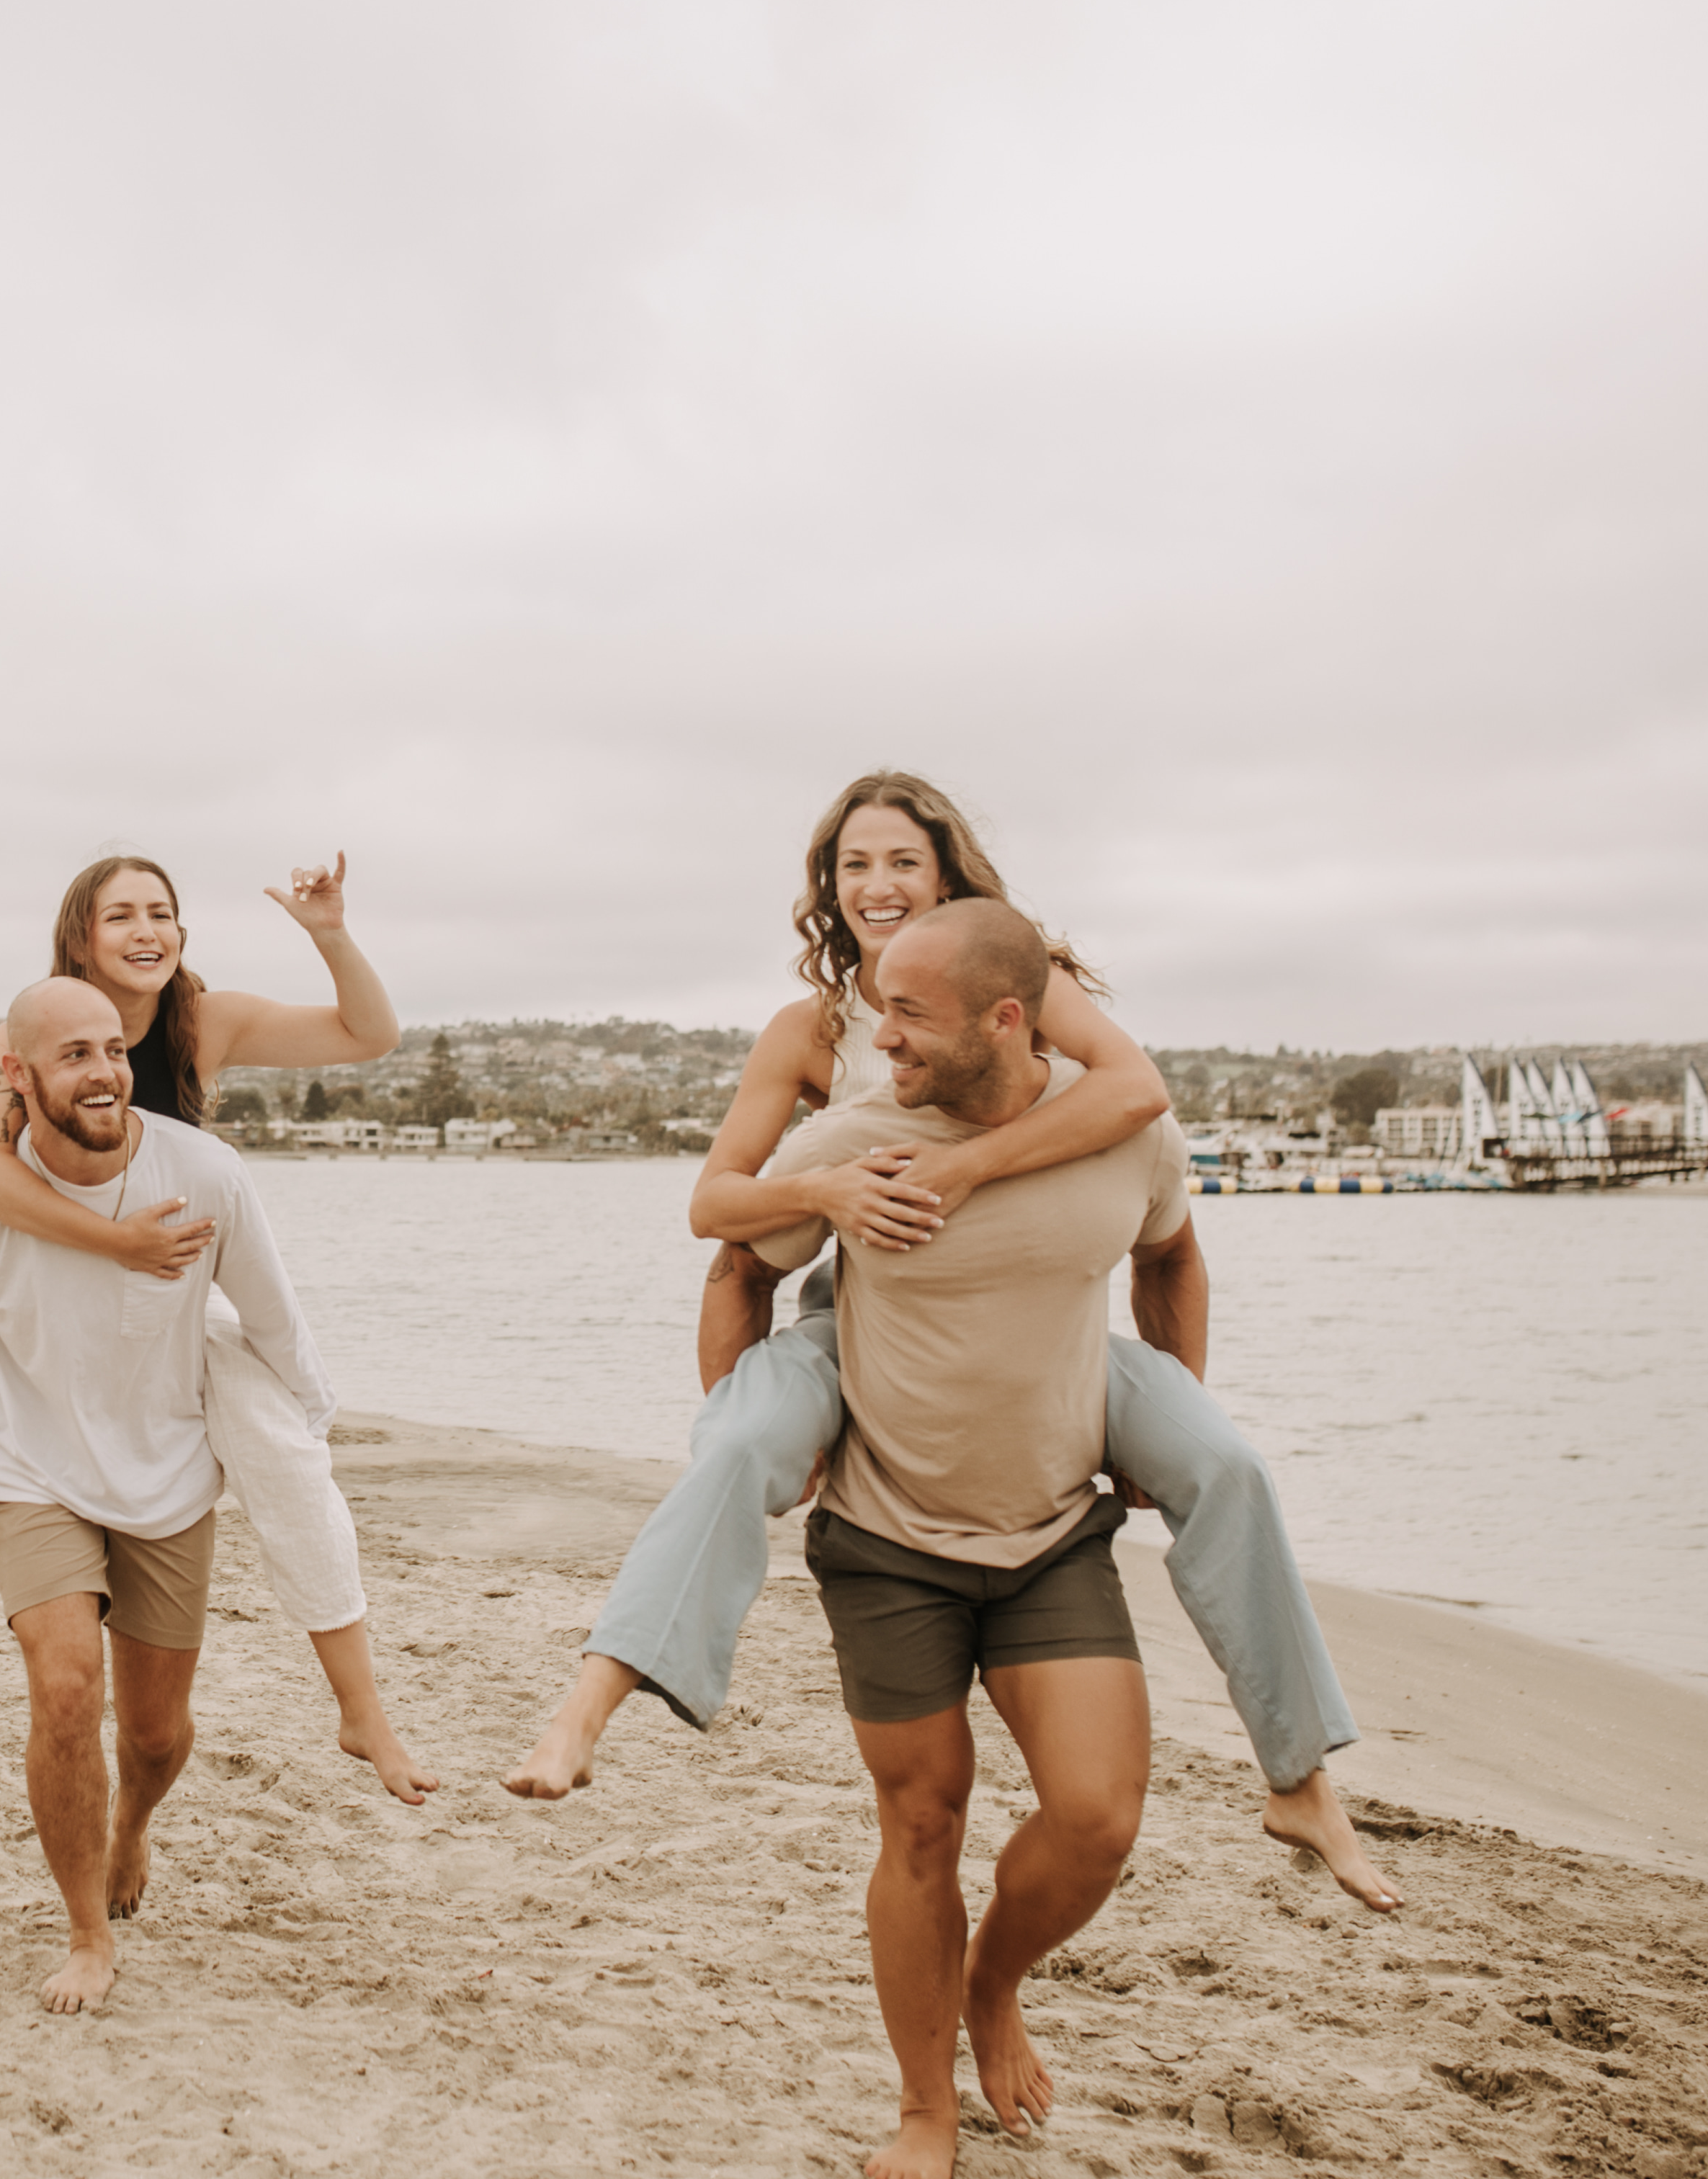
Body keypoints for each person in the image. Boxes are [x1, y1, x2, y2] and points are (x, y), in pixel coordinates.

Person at [506, 769, 1393, 1915]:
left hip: (1047, 1326)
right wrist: (827, 1203)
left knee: (1224, 1464)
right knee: (739, 1447)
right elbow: (724, 1219)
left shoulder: (1026, 977)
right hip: (864, 1321)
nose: (875, 885)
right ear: (827, 889)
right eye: (851, 865)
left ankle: (1301, 1776)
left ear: (949, 878)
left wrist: (972, 1173)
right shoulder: (814, 1035)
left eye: (901, 862)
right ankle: (595, 1699)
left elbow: (1134, 1095)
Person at [0, 853, 431, 1810]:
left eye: (163, 913)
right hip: (39, 1305)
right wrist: (115, 1241)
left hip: (164, 1309)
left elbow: (369, 1036)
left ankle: (361, 1708)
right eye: (122, 914)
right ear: (79, 938)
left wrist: (327, 932)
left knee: (291, 1457)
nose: (147, 931)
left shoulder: (203, 1022)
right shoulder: (32, 1028)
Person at [792, 900, 1188, 2172]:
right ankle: (925, 2109)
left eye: (910, 1014)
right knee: (922, 1823)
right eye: (877, 1009)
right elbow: (731, 1249)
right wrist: (756, 1425)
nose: (881, 1037)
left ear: (1007, 1021)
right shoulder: (859, 1136)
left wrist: (1173, 1426)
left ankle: (991, 1981)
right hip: (886, 1536)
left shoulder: (1124, 1132)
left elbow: (1172, 1256)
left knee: (1097, 1820)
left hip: (1053, 1532)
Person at [0, 976, 330, 2012]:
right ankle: (83, 1935)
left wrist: (300, 1456)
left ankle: (133, 1826)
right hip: (32, 1468)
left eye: (115, 1050)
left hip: (169, 1472)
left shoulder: (204, 1174)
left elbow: (275, 1324)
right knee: (66, 1688)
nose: (107, 1072)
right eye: (75, 1055)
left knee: (155, 1736)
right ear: (16, 1077)